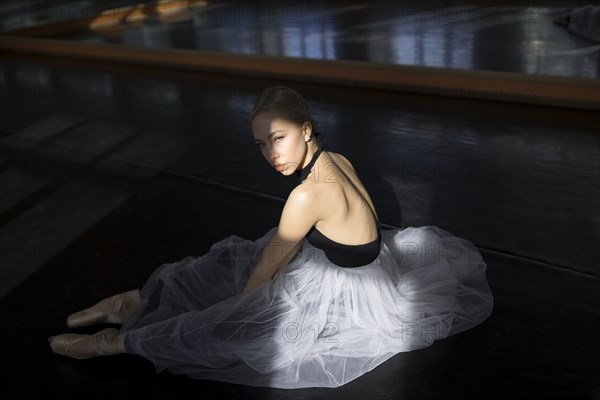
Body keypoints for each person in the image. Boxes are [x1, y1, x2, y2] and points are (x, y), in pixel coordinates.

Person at [49, 86, 494, 389]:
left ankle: (116, 341)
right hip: (353, 265)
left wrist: (236, 316)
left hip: (352, 291)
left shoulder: (306, 195)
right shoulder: (335, 157)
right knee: (226, 264)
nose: (271, 154)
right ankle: (132, 302)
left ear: (306, 128)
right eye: (261, 143)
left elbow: (265, 273)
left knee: (231, 312)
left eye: (278, 138)